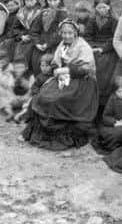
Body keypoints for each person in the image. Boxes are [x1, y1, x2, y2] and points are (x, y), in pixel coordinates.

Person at [22, 19, 99, 151]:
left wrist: (67, 69)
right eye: (64, 33)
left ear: (75, 33)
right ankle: (38, 132)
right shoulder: (62, 45)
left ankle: (62, 136)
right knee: (43, 95)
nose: (66, 36)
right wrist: (56, 69)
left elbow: (87, 69)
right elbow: (55, 62)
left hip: (81, 81)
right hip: (62, 77)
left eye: (70, 33)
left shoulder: (83, 46)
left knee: (58, 100)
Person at [84, 0, 119, 110]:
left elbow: (114, 37)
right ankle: (91, 97)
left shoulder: (114, 20)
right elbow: (88, 35)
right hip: (94, 47)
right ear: (95, 8)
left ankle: (104, 100)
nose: (102, 10)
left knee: (105, 66)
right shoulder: (92, 20)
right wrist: (91, 46)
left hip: (108, 48)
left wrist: (103, 48)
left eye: (104, 7)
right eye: (99, 8)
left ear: (109, 7)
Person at [91, 75, 122, 154]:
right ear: (114, 91)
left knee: (118, 135)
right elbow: (106, 116)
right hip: (114, 125)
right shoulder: (112, 99)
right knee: (103, 132)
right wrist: (114, 122)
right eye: (119, 91)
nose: (121, 94)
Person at [29, 0, 68, 75]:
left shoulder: (63, 14)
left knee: (50, 64)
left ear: (60, 1)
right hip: (41, 43)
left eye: (55, 0)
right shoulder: (42, 13)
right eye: (50, 0)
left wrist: (48, 44)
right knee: (35, 61)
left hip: (55, 44)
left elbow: (61, 32)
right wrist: (37, 43)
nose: (52, 3)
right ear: (46, 1)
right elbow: (34, 30)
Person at [12, 0, 42, 68]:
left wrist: (32, 37)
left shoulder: (40, 13)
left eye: (31, 0)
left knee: (27, 51)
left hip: (36, 37)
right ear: (24, 1)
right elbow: (15, 27)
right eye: (27, 1)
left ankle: (24, 69)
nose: (29, 3)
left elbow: (41, 29)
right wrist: (22, 36)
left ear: (36, 1)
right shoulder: (20, 12)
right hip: (23, 36)